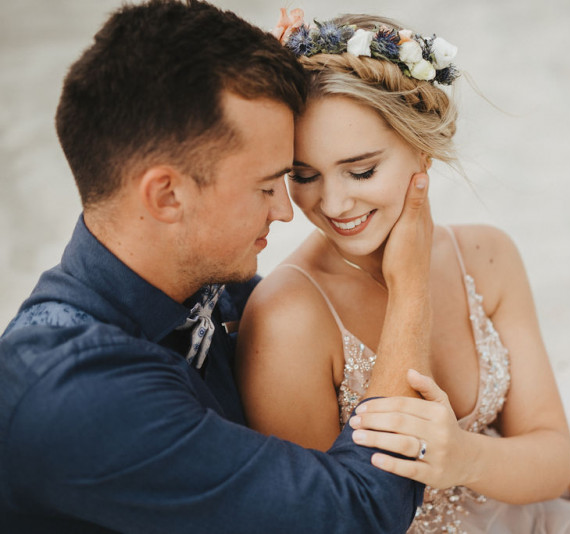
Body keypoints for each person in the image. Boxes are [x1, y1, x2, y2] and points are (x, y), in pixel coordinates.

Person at [237, 12, 570, 534]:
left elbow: (551, 453)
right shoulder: (288, 318)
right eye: (303, 174)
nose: (333, 203)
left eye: (362, 170)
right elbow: (324, 520)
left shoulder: (487, 256)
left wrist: (467, 458)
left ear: (421, 148)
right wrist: (410, 289)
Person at [0, 2, 442, 532]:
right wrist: (412, 285)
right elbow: (357, 513)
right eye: (264, 185)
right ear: (166, 195)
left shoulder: (208, 290)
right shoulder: (79, 393)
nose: (285, 210)